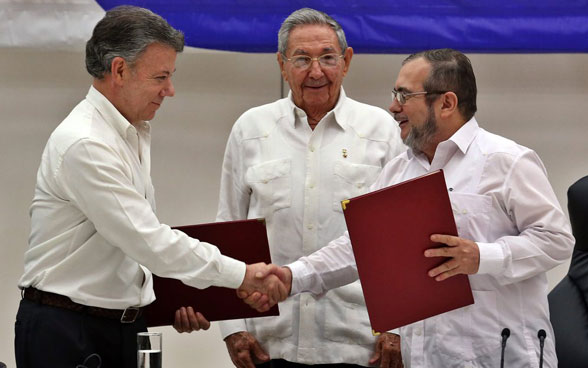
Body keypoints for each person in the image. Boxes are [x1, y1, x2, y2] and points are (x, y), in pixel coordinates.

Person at [248, 48, 575, 367]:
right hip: (423, 357)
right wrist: (292, 276)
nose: (393, 106)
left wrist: (482, 256)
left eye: (405, 96)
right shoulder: (397, 171)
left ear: (446, 103)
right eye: (395, 95)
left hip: (501, 355)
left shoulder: (507, 161)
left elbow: (556, 240)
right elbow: (358, 249)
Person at [14, 6, 284, 368]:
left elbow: (128, 247)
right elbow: (147, 239)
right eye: (161, 77)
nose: (170, 90)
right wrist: (242, 276)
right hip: (69, 332)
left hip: (122, 326)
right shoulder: (87, 142)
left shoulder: (129, 130)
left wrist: (177, 300)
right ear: (120, 70)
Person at [217, 7, 405, 368]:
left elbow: (399, 240)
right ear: (282, 64)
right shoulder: (251, 128)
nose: (316, 72)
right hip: (268, 342)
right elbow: (228, 230)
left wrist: (398, 328)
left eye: (328, 58)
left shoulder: (381, 130)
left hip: (361, 344)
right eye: (302, 59)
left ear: (347, 61)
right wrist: (232, 328)